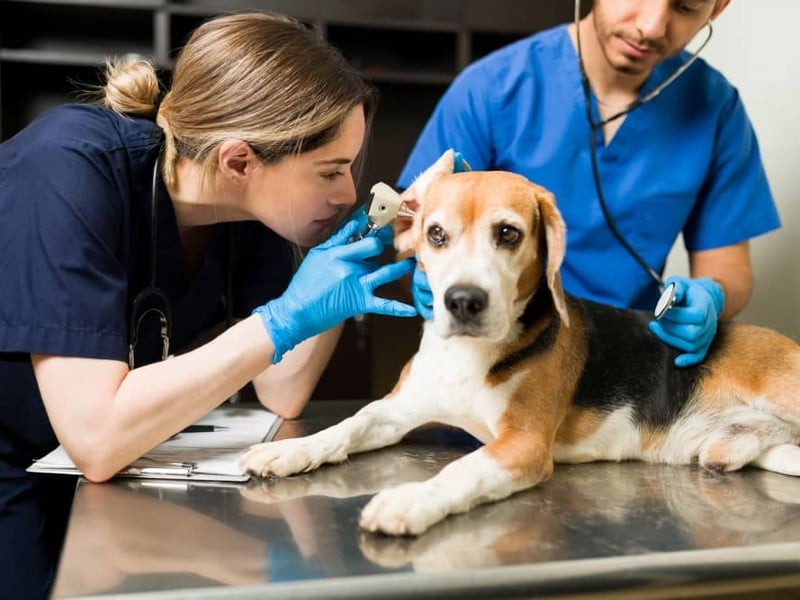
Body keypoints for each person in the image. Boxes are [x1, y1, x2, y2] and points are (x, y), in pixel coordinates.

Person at [0, 10, 417, 488]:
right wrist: (284, 319)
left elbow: (283, 390)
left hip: (100, 463)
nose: (348, 194)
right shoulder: (66, 170)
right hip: (16, 455)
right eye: (329, 172)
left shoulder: (248, 207)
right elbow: (96, 438)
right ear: (238, 160)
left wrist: (339, 270)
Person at [398, 0, 780, 368]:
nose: (650, 26)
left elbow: (728, 266)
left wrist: (711, 298)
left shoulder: (715, 108)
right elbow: (414, 235)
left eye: (685, 7)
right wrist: (426, 274)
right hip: (499, 355)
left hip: (630, 359)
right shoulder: (490, 89)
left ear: (717, 8)